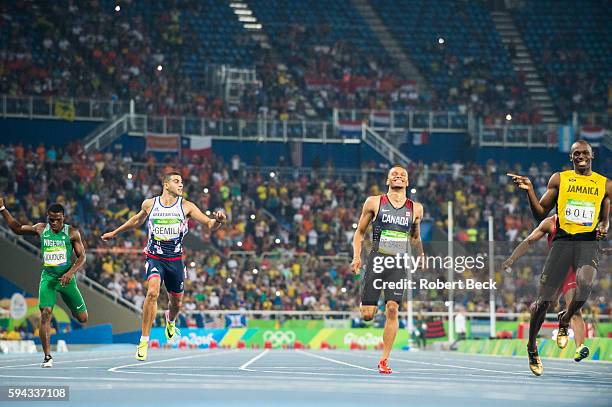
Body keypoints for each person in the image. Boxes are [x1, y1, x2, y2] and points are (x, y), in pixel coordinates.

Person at [508, 140, 610, 375]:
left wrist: (604, 226)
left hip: (587, 243)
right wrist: (530, 190)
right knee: (542, 303)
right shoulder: (559, 179)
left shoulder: (605, 184)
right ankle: (532, 347)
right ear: (571, 158)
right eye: (576, 153)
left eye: (585, 153)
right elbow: (540, 213)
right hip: (563, 243)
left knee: (585, 284)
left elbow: (606, 216)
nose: (580, 156)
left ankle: (565, 319)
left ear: (592, 156)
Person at [101, 171, 226, 361]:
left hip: (175, 261)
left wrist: (218, 220)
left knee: (176, 303)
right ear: (166, 185)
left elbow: (209, 224)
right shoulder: (150, 204)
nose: (181, 185)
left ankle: (171, 320)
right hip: (154, 257)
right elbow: (136, 220)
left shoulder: (187, 207)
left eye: (182, 182)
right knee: (152, 292)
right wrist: (115, 232)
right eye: (177, 181)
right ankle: (143, 341)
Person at [501, 214, 604, 363]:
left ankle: (579, 346)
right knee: (546, 305)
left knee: (575, 309)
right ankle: (534, 344)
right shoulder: (550, 223)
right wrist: (512, 258)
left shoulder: (583, 221)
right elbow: (529, 240)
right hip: (555, 268)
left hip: (572, 270)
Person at [351, 165, 424, 374]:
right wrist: (357, 256)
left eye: (403, 175)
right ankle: (369, 303)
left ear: (407, 182)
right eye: (394, 174)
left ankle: (384, 359)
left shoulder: (416, 208)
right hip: (376, 260)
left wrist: (421, 254)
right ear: (388, 180)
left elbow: (415, 236)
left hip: (398, 263)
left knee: (393, 308)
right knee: (367, 315)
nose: (399, 176)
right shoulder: (374, 202)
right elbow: (359, 233)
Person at [0, 198, 88, 368]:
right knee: (46, 313)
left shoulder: (72, 233)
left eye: (58, 220)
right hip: (48, 278)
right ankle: (47, 357)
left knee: (83, 318)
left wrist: (70, 273)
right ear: (47, 217)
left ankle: (70, 303)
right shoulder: (41, 229)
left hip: (66, 280)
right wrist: (3, 208)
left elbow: (82, 257)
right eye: (51, 219)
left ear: (63, 218)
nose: (54, 223)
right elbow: (17, 228)